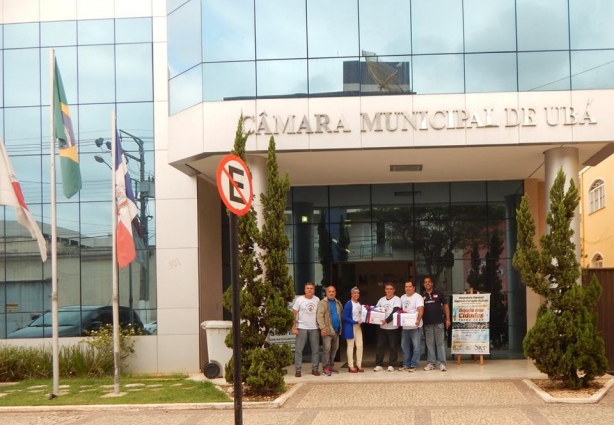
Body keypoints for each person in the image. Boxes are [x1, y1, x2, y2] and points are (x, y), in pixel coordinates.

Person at [421, 276, 451, 371]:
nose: (427, 283)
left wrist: (448, 319)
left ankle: (442, 363)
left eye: (429, 282)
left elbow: (446, 306)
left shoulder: (439, 293)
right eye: (425, 282)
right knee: (429, 344)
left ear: (432, 283)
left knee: (440, 343)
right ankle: (431, 363)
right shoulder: (421, 295)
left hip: (439, 322)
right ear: (423, 284)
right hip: (427, 323)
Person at [292, 282, 321, 377]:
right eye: (308, 288)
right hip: (302, 327)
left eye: (311, 288)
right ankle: (298, 370)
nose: (309, 290)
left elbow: (320, 314)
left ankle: (315, 369)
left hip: (314, 328)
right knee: (299, 350)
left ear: (314, 290)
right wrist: (293, 326)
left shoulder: (317, 300)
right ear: (304, 290)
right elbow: (294, 314)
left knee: (315, 350)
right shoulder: (299, 300)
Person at [374, 282, 402, 372]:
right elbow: (375, 310)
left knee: (393, 346)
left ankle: (391, 364)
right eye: (387, 289)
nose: (389, 290)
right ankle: (379, 364)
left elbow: (395, 311)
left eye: (391, 289)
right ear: (385, 290)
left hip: (393, 328)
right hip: (382, 328)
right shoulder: (381, 300)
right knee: (380, 346)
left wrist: (386, 321)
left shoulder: (397, 299)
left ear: (394, 290)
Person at [316, 285, 343, 376]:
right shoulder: (322, 303)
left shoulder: (338, 302)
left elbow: (340, 314)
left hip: (336, 330)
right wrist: (322, 328)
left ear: (335, 293)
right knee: (326, 350)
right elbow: (319, 316)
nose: (331, 293)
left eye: (333, 291)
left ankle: (331, 365)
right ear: (326, 293)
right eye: (329, 291)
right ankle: (325, 367)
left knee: (334, 349)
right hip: (327, 331)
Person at [399, 280, 424, 372]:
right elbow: (399, 311)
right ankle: (406, 364)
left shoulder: (418, 297)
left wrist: (418, 319)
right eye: (406, 287)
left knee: (416, 347)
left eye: (409, 286)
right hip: (405, 327)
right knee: (404, 346)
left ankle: (414, 365)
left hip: (415, 326)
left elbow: (420, 309)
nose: (408, 288)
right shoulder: (402, 297)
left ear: (414, 287)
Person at [342, 286, 364, 373]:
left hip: (358, 327)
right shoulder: (348, 304)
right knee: (351, 346)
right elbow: (344, 316)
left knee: (360, 345)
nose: (356, 294)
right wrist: (354, 321)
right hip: (350, 327)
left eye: (358, 293)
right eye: (355, 293)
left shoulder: (359, 304)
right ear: (351, 294)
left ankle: (359, 364)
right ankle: (351, 365)